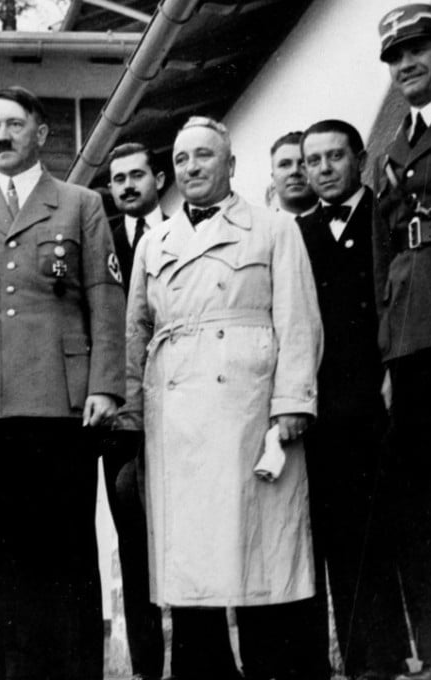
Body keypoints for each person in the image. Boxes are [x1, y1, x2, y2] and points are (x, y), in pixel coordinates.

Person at [0, 86, 125, 680]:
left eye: (14, 124)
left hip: (59, 403)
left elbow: (104, 298)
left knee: (61, 546)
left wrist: (105, 384)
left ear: (42, 133)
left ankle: (69, 668)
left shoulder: (80, 204)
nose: (1, 136)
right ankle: (4, 668)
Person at [120, 116, 323, 680]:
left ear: (230, 165)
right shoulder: (154, 241)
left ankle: (271, 667)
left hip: (248, 407)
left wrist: (292, 402)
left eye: (204, 157)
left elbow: (298, 319)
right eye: (182, 159)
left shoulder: (273, 228)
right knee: (191, 563)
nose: (191, 169)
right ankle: (200, 668)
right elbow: (135, 329)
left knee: (258, 554)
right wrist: (132, 412)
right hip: (175, 414)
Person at [298, 119, 409, 680]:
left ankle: (406, 651)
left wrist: (393, 368)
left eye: (334, 157)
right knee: (342, 534)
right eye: (312, 160)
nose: (322, 170)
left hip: (384, 389)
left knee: (397, 526)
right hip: (327, 405)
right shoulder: (296, 233)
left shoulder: (386, 216)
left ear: (359, 159)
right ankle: (365, 659)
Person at [374, 5, 431, 677]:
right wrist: (385, 352)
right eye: (395, 59)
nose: (405, 65)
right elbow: (382, 252)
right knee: (420, 499)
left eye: (418, 48)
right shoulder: (395, 144)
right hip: (411, 335)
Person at [102, 141, 166, 680]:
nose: (126, 186)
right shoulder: (101, 240)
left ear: (158, 179)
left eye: (136, 175)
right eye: (117, 178)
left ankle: (198, 656)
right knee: (133, 537)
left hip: (180, 403)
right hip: (120, 412)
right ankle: (148, 665)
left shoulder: (181, 231)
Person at [269, 131, 316, 216]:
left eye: (303, 164)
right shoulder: (258, 225)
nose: (295, 171)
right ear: (273, 177)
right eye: (284, 164)